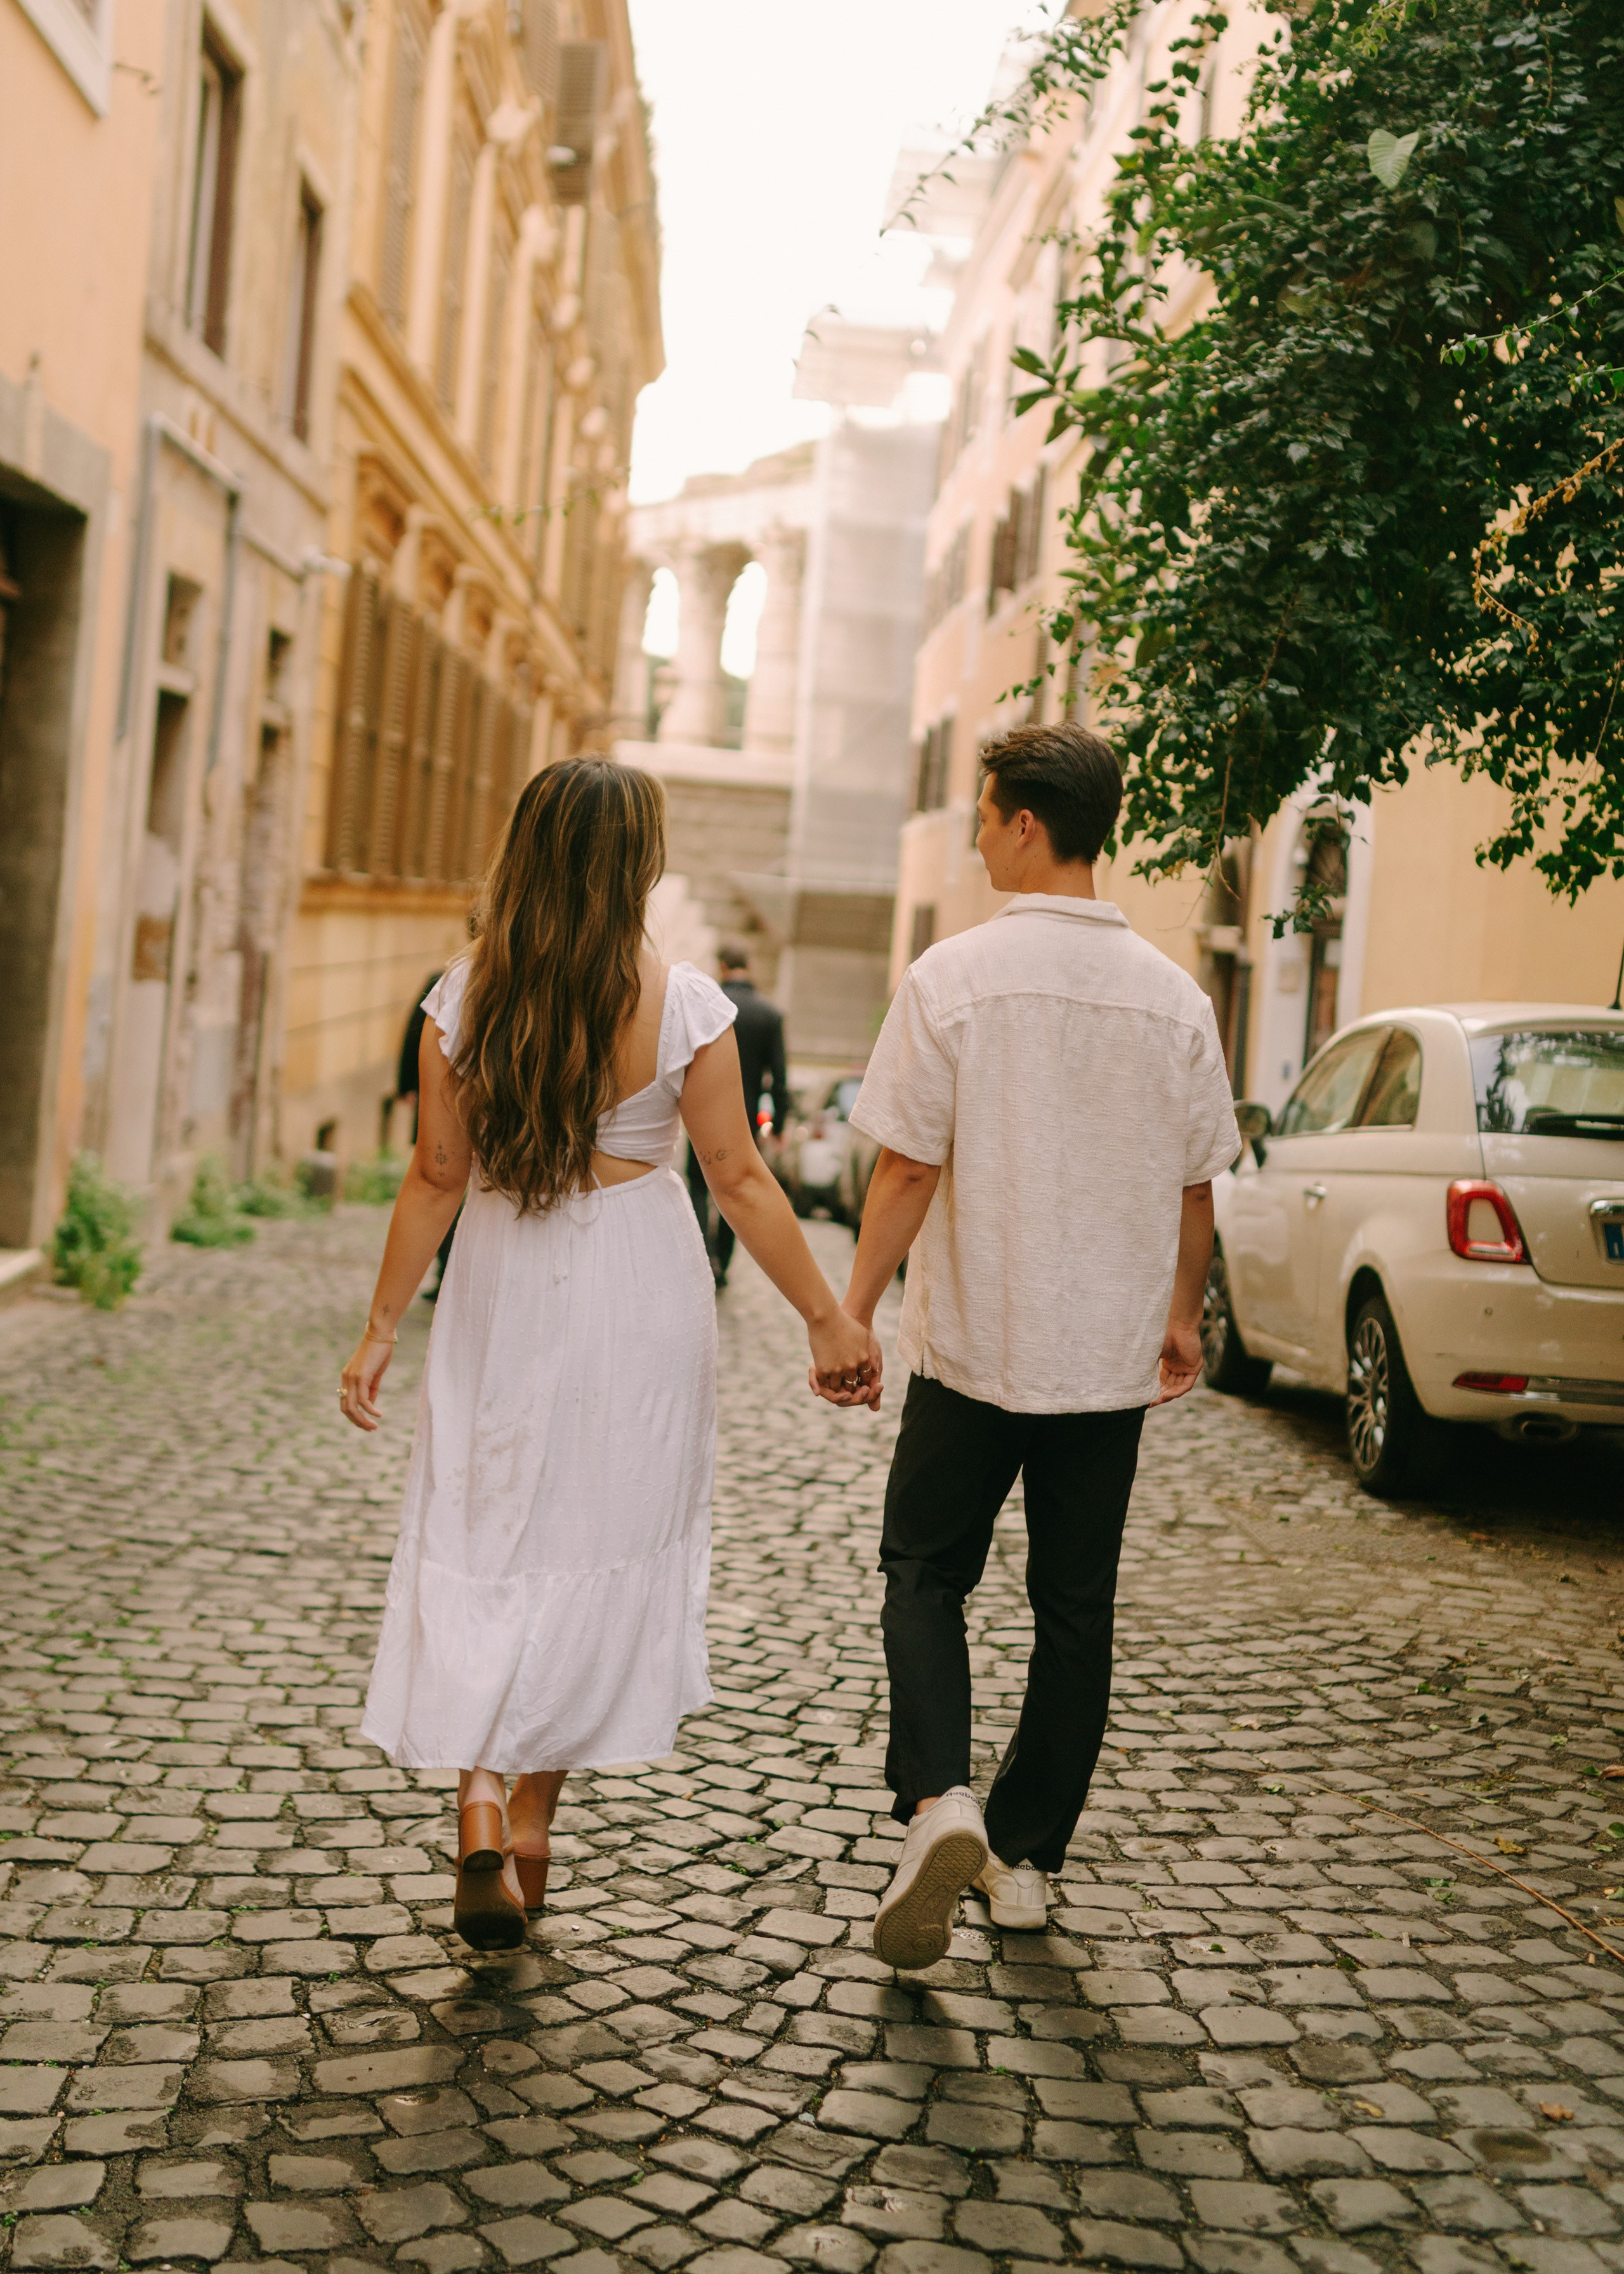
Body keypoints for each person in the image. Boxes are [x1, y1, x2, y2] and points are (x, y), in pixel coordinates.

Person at [338, 758, 881, 1952]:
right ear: (636, 862)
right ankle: (533, 1824)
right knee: (599, 1538)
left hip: (499, 1274)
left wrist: (382, 1326)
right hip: (641, 1278)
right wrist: (828, 1314)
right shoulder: (681, 1000)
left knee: (486, 1525)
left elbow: (436, 1172)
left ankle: (480, 1795)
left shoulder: (463, 995)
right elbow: (738, 1176)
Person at [839, 721, 1240, 1970]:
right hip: (1105, 1359)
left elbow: (907, 1164)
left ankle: (938, 1796)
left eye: (980, 811)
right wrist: (1178, 1318)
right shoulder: (1175, 1000)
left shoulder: (950, 978)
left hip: (972, 1345)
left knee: (922, 1570)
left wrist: (851, 1305)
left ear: (1024, 823)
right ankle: (1024, 1863)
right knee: (1073, 1608)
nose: (971, 833)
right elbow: (1193, 1189)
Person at [686, 943, 789, 1286]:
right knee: (736, 1186)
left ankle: (702, 1255)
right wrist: (780, 1125)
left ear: (721, 966)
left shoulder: (708, 1003)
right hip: (745, 1115)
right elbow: (779, 1077)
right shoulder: (769, 1014)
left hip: (700, 1111)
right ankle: (723, 1264)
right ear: (749, 965)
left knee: (699, 1186)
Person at [395, 975, 457, 1299]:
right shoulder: (445, 983)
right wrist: (407, 1086)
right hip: (435, 1101)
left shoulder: (450, 982)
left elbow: (412, 1036)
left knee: (443, 1185)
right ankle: (445, 1268)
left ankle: (447, 1269)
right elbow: (414, 1036)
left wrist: (405, 1086)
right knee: (440, 1181)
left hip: (441, 1103)